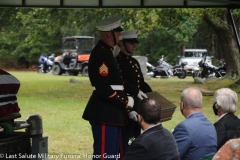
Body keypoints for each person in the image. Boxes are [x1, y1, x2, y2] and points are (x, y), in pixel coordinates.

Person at [82, 16, 146, 160]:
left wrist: (135, 91)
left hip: (112, 112)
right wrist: (126, 101)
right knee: (105, 156)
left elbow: (118, 81)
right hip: (105, 112)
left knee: (111, 154)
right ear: (110, 34)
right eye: (118, 33)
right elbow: (103, 87)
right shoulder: (101, 54)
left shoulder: (107, 52)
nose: (119, 35)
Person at [115, 30, 152, 156]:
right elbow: (120, 84)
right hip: (124, 108)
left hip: (138, 107)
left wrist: (153, 96)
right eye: (131, 43)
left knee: (136, 141)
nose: (134, 45)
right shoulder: (117, 62)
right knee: (124, 145)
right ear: (121, 43)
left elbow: (141, 83)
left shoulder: (134, 62)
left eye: (135, 42)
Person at [173, 87, 217, 160]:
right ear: (200, 104)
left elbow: (173, 156)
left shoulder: (184, 128)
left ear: (182, 105)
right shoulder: (210, 125)